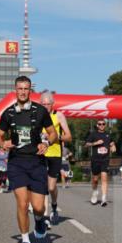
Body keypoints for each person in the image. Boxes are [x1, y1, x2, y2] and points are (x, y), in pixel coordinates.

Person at [0, 76, 57, 243]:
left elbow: (52, 133)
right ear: (15, 89)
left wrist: (46, 143)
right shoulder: (8, 113)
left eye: (26, 88)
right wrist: (2, 144)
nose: (23, 91)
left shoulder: (40, 111)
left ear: (31, 90)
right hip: (16, 163)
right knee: (22, 203)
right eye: (20, 88)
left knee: (38, 207)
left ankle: (39, 219)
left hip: (36, 162)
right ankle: (25, 240)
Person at [38, 90, 72, 225]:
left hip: (55, 154)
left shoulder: (59, 116)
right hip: (40, 154)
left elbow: (69, 137)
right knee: (42, 185)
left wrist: (54, 136)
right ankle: (45, 216)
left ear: (53, 104)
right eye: (43, 104)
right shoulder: (36, 116)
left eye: (48, 104)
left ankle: (54, 205)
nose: (46, 106)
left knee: (51, 187)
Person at [85, 119, 115, 206]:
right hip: (95, 160)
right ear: (97, 125)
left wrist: (113, 146)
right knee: (95, 179)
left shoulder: (108, 134)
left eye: (103, 124)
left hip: (105, 159)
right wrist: (95, 143)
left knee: (104, 178)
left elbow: (112, 142)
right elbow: (86, 144)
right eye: (100, 124)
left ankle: (104, 198)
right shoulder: (93, 134)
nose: (101, 125)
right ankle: (94, 192)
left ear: (105, 125)